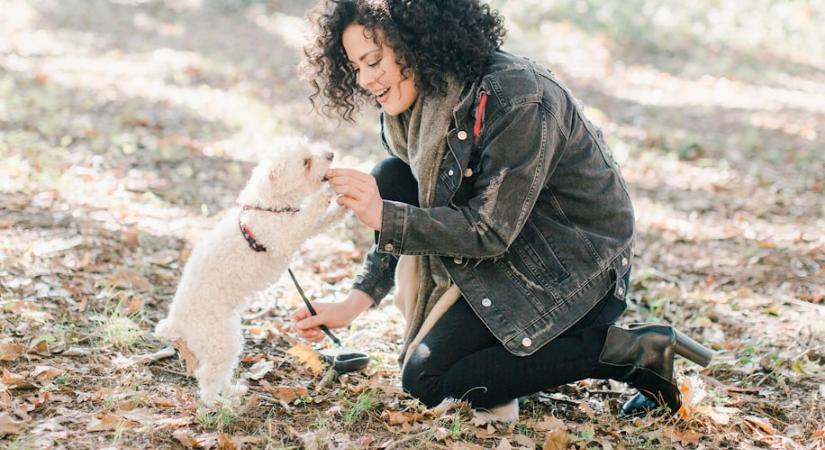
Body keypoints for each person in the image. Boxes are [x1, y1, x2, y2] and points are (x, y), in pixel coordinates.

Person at [292, 0, 712, 418]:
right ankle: (510, 362)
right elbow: (405, 200)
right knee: (391, 175)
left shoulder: (516, 97)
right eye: (356, 67)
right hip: (506, 252)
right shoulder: (415, 103)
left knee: (431, 382)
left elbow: (487, 231)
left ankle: (634, 352)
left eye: (374, 60)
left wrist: (383, 215)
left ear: (414, 41)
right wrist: (352, 304)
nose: (365, 79)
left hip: (572, 271)